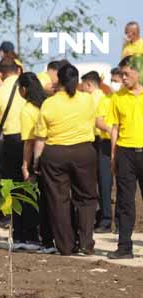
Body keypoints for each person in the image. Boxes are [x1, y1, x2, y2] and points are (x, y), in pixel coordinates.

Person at [33, 64, 97, 256]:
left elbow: (40, 138)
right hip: (83, 152)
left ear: (58, 80)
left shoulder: (49, 104)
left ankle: (65, 246)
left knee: (58, 200)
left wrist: (37, 160)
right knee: (86, 198)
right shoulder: (87, 100)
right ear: (77, 81)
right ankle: (86, 242)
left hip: (55, 154)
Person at [0, 58, 39, 250]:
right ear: (18, 70)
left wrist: (1, 130)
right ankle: (33, 236)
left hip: (10, 144)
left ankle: (18, 237)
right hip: (30, 141)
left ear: (0, 73)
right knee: (31, 189)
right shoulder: (29, 88)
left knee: (14, 191)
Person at [107, 56, 143, 259]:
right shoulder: (117, 97)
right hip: (125, 153)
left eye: (126, 73)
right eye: (121, 74)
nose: (123, 77)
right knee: (125, 202)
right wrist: (113, 156)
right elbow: (114, 127)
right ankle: (124, 247)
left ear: (138, 72)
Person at [18, 72, 55, 254]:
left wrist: (26, 166)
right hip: (55, 155)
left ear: (23, 89)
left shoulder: (27, 110)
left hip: (38, 158)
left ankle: (43, 239)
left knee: (37, 201)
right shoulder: (48, 103)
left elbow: (29, 142)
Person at [81, 71, 113, 233]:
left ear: (88, 84)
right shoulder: (105, 97)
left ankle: (105, 220)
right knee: (103, 182)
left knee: (102, 181)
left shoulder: (92, 99)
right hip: (104, 143)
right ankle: (104, 218)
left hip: (100, 142)